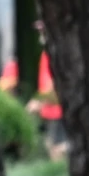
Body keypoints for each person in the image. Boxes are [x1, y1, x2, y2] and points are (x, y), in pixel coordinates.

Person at [25, 21, 67, 161]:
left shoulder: (59, 53)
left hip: (59, 113)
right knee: (51, 147)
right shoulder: (47, 54)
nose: (40, 37)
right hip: (50, 113)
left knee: (58, 150)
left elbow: (59, 84)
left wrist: (39, 101)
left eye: (44, 32)